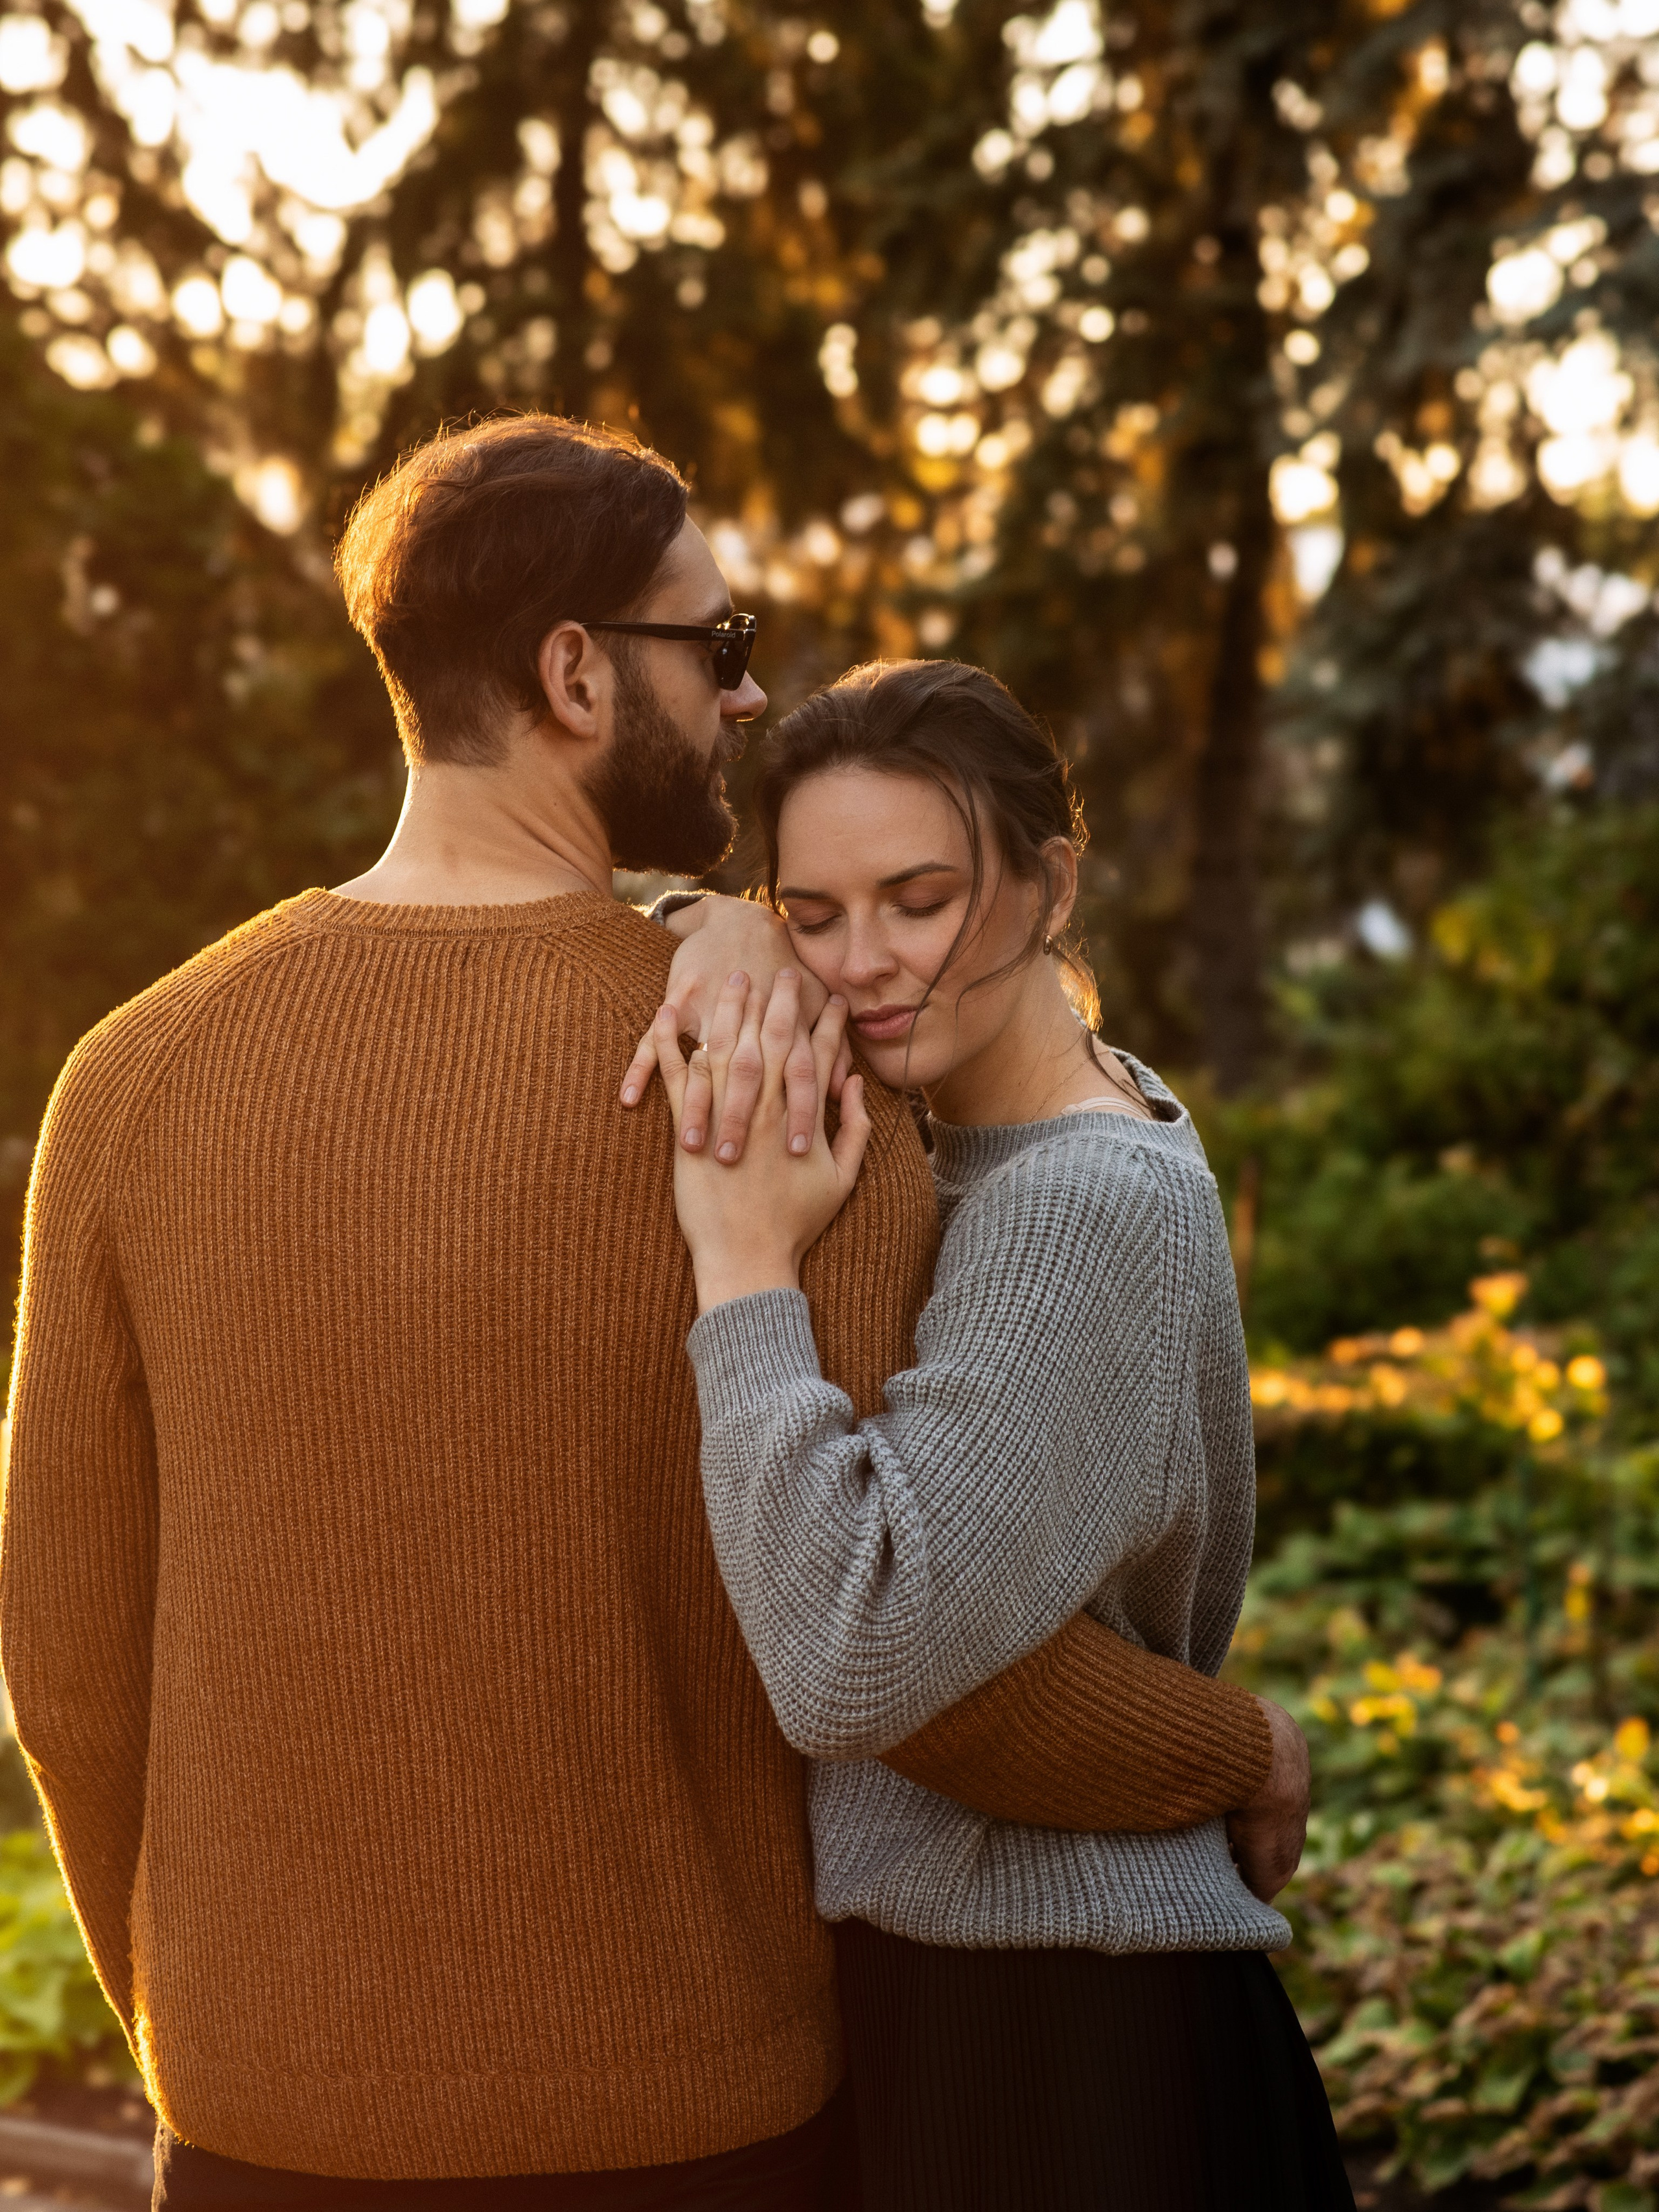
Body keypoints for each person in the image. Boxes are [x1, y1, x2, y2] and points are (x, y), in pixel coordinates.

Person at [3, 416, 1300, 2211]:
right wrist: (1239, 1746)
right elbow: (919, 1672)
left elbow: (66, 1665)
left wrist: (199, 2031)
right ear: (573, 670)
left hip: (253, 2128)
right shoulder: (780, 1089)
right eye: (721, 649)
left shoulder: (129, 1075)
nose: (753, 701)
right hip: (700, 2125)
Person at [646, 657, 1355, 2210]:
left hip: (1058, 2026)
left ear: (1048, 882)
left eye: (918, 898)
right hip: (1004, 1985)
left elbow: (860, 1650)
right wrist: (711, 920)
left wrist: (744, 1265)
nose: (862, 964)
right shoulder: (1018, 1125)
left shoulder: (1069, 1207)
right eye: (813, 913)